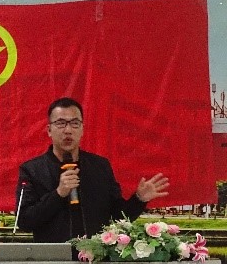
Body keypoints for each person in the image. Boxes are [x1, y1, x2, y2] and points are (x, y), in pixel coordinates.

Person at [15, 97, 169, 242]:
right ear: (49, 130)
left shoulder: (99, 166)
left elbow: (118, 217)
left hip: (95, 256)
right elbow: (24, 222)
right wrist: (58, 194)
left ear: (82, 129)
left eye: (75, 123)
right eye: (61, 123)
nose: (68, 130)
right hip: (53, 258)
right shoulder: (32, 170)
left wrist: (139, 199)